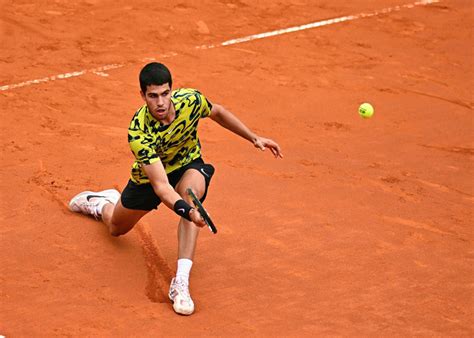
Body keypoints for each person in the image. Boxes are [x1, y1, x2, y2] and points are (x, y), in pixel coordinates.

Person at [69, 62, 283, 315]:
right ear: (143, 96)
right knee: (117, 228)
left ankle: (180, 282)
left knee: (192, 197)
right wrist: (188, 213)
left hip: (187, 164)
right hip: (151, 177)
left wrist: (253, 137)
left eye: (165, 93)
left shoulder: (190, 101)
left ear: (172, 90)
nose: (160, 102)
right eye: (153, 96)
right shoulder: (138, 131)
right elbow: (161, 187)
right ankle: (101, 203)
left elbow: (218, 112)